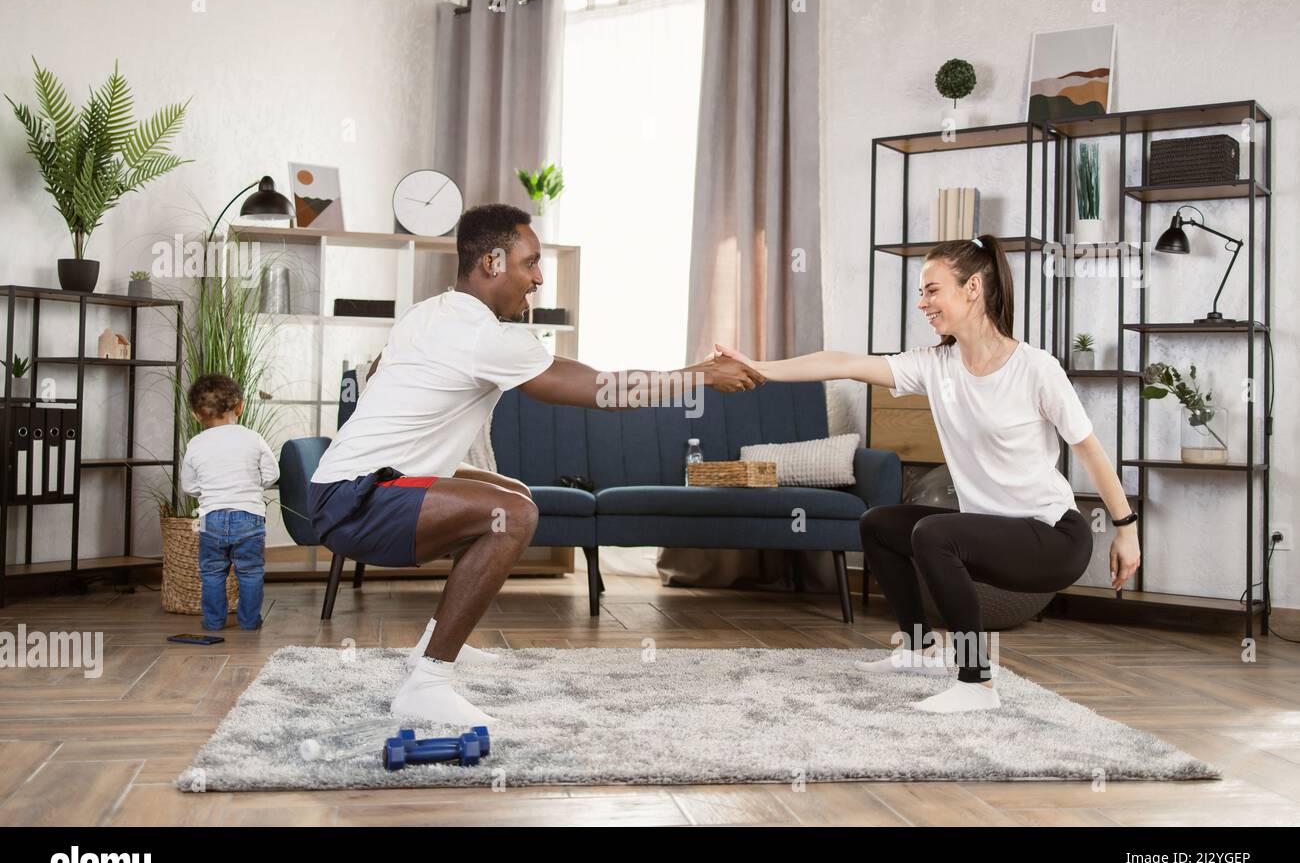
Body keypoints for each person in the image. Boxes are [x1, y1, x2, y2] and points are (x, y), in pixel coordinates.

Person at [309, 203, 764, 725]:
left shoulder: (431, 312)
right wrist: (702, 377)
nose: (539, 278)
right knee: (514, 516)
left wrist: (697, 369)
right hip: (359, 498)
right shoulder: (484, 336)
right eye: (530, 263)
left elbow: (381, 370)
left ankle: (434, 645)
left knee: (514, 496)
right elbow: (604, 390)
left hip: (342, 486)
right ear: (491, 263)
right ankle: (427, 682)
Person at [715, 234, 1140, 713]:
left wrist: (1125, 531)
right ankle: (918, 650)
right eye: (922, 292)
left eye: (932, 290)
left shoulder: (1036, 369)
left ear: (973, 287)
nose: (922, 303)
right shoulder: (936, 366)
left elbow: (1091, 451)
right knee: (878, 523)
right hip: (992, 528)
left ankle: (977, 683)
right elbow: (843, 362)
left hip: (1052, 538)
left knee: (935, 533)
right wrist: (757, 367)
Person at [180, 374, 279, 631]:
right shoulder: (253, 438)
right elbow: (272, 475)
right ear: (240, 406)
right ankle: (249, 621)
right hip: (249, 517)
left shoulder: (195, 444)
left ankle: (213, 622)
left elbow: (189, 486)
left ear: (195, 415)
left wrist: (210, 492)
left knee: (212, 572)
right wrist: (253, 486)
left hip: (211, 518)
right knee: (250, 571)